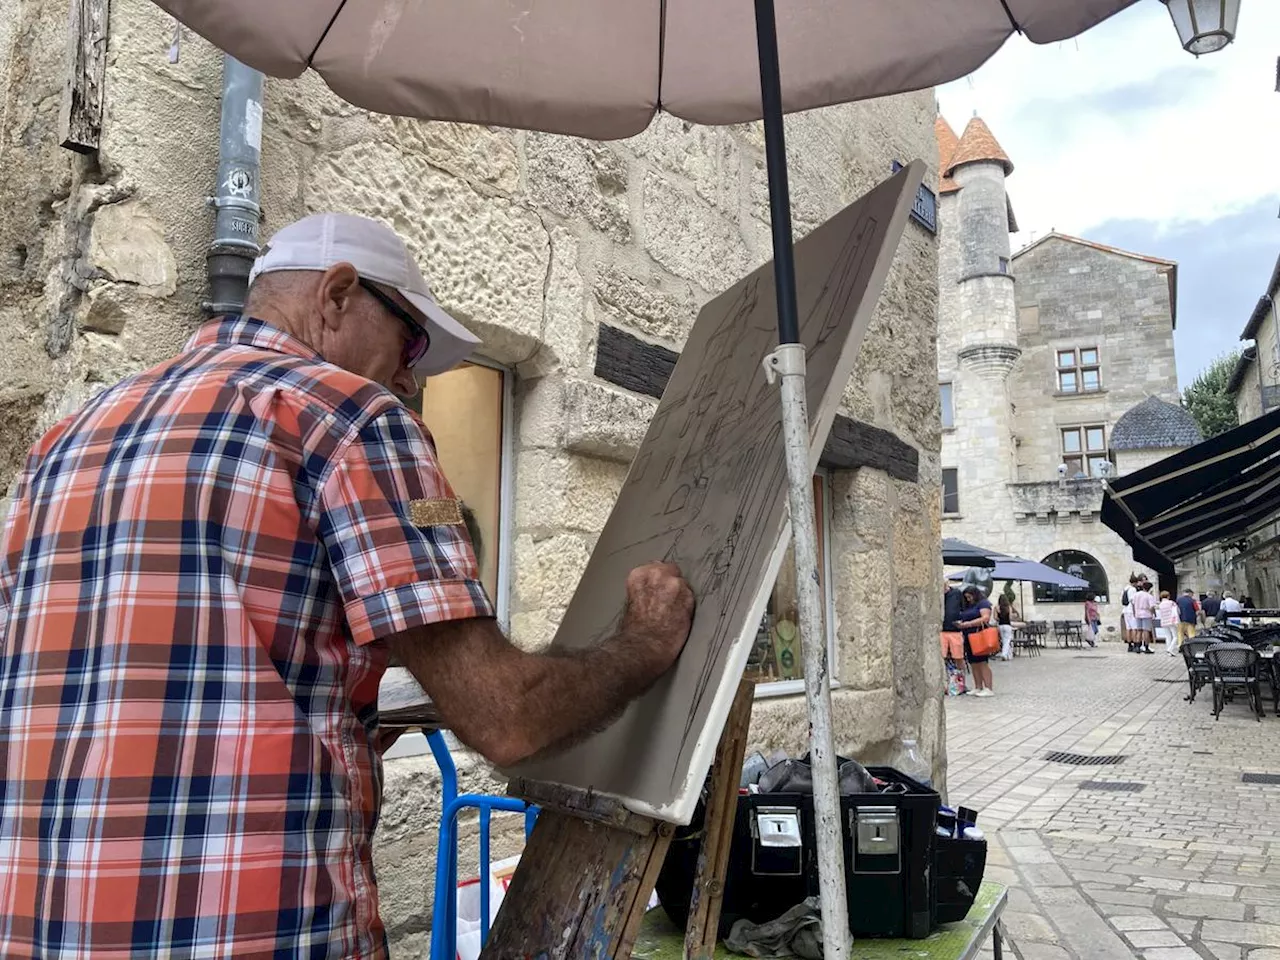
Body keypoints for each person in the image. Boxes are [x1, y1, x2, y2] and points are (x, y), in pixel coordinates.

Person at [0, 213, 696, 958]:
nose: (410, 378)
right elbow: (506, 719)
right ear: (336, 294)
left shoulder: (71, 437)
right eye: (413, 345)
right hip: (252, 925)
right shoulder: (353, 417)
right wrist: (641, 646)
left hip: (41, 920)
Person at [957, 585, 995, 697]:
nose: (968, 599)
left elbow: (985, 618)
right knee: (973, 662)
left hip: (979, 635)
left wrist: (968, 624)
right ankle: (978, 686)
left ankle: (988, 687)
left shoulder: (983, 603)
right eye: (967, 598)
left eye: (970, 597)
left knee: (982, 662)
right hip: (968, 636)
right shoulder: (969, 605)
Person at [1129, 580, 1157, 654]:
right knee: (1146, 631)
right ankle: (1146, 646)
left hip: (1138, 614)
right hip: (1146, 614)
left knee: (1139, 630)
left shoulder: (1136, 595)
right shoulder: (1149, 596)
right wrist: (1154, 613)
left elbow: (1133, 604)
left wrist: (1134, 613)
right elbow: (1151, 607)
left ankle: (1138, 646)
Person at [1156, 590, 1180, 656]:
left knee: (1167, 636)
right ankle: (1171, 649)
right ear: (1168, 596)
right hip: (1172, 621)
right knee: (1175, 636)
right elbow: (1177, 610)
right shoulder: (1171, 603)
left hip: (1164, 621)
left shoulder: (1160, 604)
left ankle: (1168, 649)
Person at [995, 593, 1017, 660]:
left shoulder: (997, 607)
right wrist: (1013, 616)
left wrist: (1000, 618)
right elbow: (1010, 618)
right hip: (1007, 625)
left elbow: (995, 618)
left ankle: (1008, 655)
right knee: (1007, 640)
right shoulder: (1008, 607)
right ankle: (1004, 654)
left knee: (1004, 640)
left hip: (1000, 625)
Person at [1121, 574, 1139, 650]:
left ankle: (1129, 645)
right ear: (1135, 582)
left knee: (1128, 628)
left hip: (1125, 610)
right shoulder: (1133, 589)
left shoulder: (1125, 589)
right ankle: (1135, 644)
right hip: (1131, 610)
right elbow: (1133, 601)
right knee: (1134, 628)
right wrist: (1135, 612)